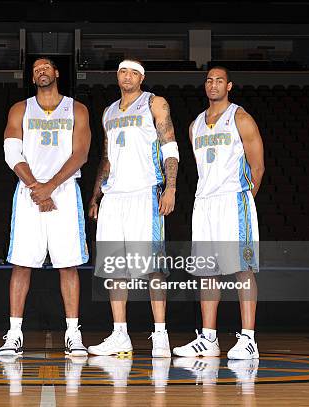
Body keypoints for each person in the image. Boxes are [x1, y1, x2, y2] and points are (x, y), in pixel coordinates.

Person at [87, 59, 179, 358]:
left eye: (133, 72)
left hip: (144, 192)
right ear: (117, 76)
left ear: (142, 77)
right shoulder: (109, 111)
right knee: (115, 267)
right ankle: (119, 334)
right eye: (123, 72)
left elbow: (170, 146)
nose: (127, 76)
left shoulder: (154, 103)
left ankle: (161, 335)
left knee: (153, 267)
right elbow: (107, 158)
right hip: (114, 196)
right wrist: (96, 196)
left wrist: (171, 186)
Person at [1, 57, 91, 357]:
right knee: (21, 264)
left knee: (68, 265)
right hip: (30, 190)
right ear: (32, 76)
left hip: (63, 191)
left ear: (56, 73)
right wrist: (37, 188)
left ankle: (73, 333)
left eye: (46, 67)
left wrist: (49, 187)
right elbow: (11, 151)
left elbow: (81, 154)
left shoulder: (76, 109)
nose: (41, 70)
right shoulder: (20, 109)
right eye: (35, 68)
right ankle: (14, 334)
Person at [173, 66, 264, 360]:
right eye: (209, 80)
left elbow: (258, 167)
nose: (213, 85)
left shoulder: (240, 118)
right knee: (206, 271)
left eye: (219, 80)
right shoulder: (195, 125)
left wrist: (244, 200)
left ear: (229, 86)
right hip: (204, 203)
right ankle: (209, 339)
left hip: (233, 200)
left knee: (242, 269)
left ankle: (249, 339)